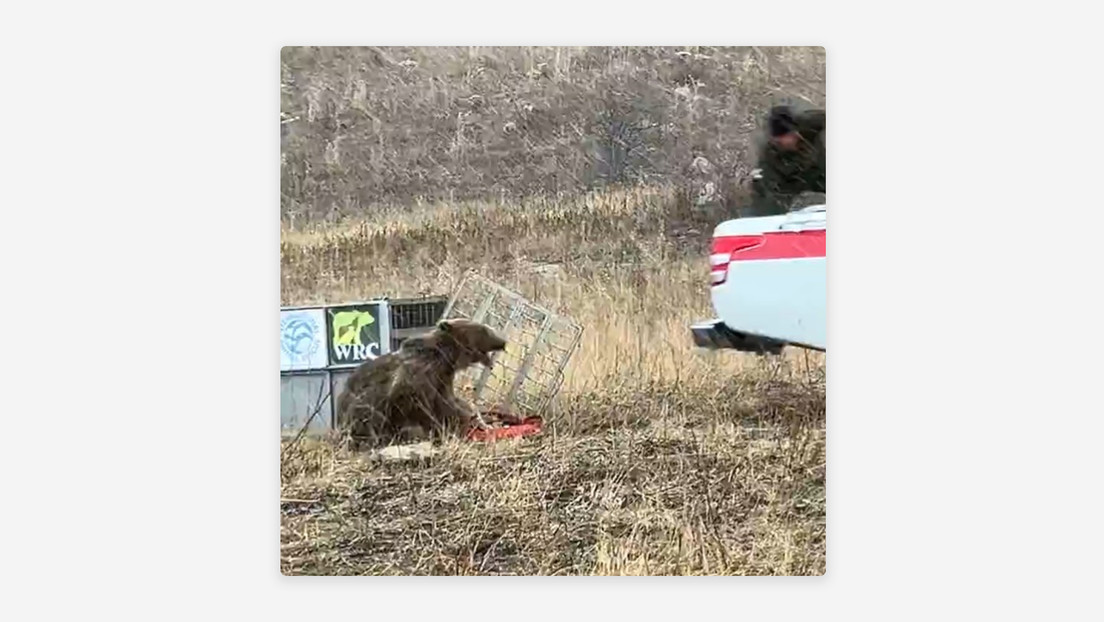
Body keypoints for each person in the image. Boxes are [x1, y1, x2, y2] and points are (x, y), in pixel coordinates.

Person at [745, 101, 825, 217]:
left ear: (795, 133)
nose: (782, 142)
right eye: (777, 140)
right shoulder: (771, 156)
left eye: (785, 138)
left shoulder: (813, 129)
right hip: (796, 188)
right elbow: (774, 192)